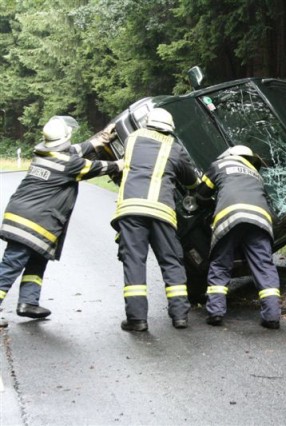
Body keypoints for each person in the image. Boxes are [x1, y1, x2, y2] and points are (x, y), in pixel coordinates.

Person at [0, 116, 123, 326]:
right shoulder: (68, 164)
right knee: (12, 264)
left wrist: (102, 138)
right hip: (32, 221)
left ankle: (28, 302)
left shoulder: (43, 154)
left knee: (38, 258)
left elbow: (78, 149)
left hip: (21, 215)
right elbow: (101, 167)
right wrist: (126, 161)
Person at [111, 108, 200, 332]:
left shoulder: (132, 139)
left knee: (134, 262)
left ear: (148, 122)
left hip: (131, 209)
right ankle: (180, 316)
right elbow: (191, 181)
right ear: (169, 128)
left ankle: (137, 319)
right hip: (162, 212)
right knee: (171, 261)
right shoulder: (174, 148)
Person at [195, 145, 281, 330]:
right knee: (264, 266)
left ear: (229, 154)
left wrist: (212, 203)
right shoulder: (256, 174)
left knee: (220, 264)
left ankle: (216, 312)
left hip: (230, 216)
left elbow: (200, 195)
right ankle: (272, 316)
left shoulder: (219, 165)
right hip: (260, 220)